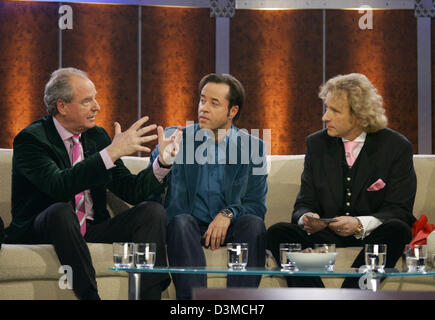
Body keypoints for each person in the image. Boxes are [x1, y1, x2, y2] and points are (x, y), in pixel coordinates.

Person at [4, 67, 182, 300]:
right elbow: (59, 185)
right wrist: (109, 154)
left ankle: (147, 296)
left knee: (151, 211)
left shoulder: (96, 136)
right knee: (61, 211)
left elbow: (131, 189)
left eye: (95, 98)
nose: (97, 106)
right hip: (44, 228)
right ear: (62, 106)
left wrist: (162, 163)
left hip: (91, 228)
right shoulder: (32, 140)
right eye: (87, 101)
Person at [266, 73, 417, 288]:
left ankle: (353, 292)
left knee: (398, 229)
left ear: (359, 115)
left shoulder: (396, 147)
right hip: (326, 234)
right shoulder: (316, 144)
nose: (325, 117)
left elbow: (399, 209)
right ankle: (314, 295)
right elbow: (304, 203)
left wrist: (358, 224)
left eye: (335, 111)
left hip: (372, 235)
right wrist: (307, 218)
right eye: (326, 108)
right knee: (278, 232)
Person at [149, 73, 268, 299]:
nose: (203, 108)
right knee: (181, 222)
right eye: (202, 100)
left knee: (254, 225)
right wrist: (162, 159)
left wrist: (229, 213)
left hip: (230, 228)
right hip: (187, 228)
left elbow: (257, 206)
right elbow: (149, 186)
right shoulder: (177, 138)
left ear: (232, 111)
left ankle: (239, 304)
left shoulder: (254, 147)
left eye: (214, 103)